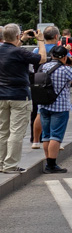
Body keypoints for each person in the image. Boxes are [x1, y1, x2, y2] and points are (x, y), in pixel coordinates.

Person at [0, 24, 42, 173]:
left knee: (2, 131)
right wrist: (40, 40)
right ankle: (11, 165)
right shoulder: (20, 52)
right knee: (16, 131)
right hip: (19, 96)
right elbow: (41, 59)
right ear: (17, 36)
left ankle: (1, 163)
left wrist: (21, 39)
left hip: (1, 96)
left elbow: (13, 48)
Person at [37, 44, 72, 173]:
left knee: (46, 135)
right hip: (60, 107)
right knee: (56, 136)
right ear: (64, 57)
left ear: (52, 55)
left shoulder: (43, 67)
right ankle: (51, 165)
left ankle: (48, 161)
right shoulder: (65, 70)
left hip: (43, 105)